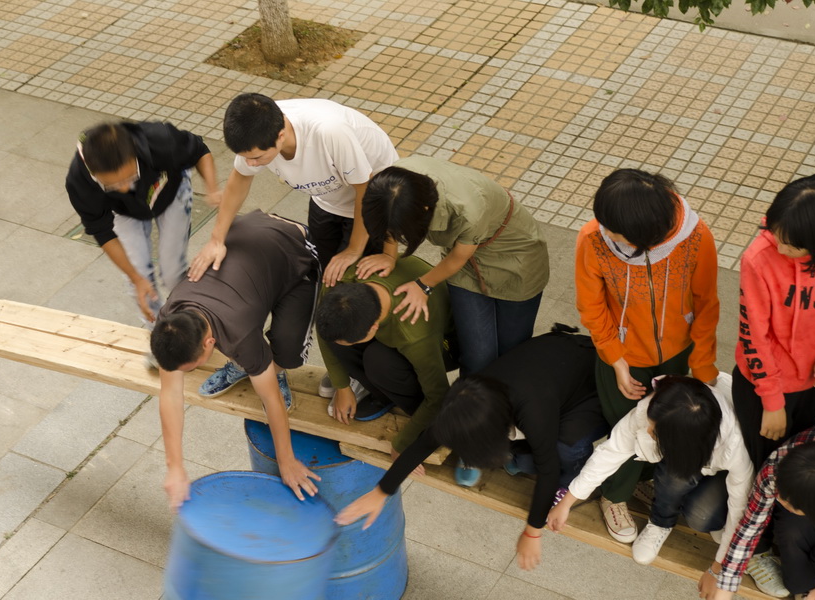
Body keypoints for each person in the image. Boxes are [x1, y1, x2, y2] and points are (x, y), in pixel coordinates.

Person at [335, 326, 609, 572]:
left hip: (595, 381)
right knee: (528, 462)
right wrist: (381, 491)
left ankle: (574, 481)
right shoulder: (460, 407)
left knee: (562, 447)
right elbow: (424, 442)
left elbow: (548, 469)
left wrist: (532, 532)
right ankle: (525, 455)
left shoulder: (533, 412)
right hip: (549, 373)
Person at [574, 168, 720, 543]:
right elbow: (592, 307)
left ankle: (641, 480)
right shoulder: (593, 238)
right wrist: (616, 360)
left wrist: (702, 365)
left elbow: (706, 303)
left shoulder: (696, 237)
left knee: (664, 426)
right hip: (624, 355)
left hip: (678, 352)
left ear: (646, 233)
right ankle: (614, 496)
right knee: (626, 427)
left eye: (615, 231)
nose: (606, 233)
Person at [150, 211, 321, 507]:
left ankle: (256, 366)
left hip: (294, 249)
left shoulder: (239, 335)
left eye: (193, 367)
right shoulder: (169, 320)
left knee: (288, 353)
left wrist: (286, 461)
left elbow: (271, 399)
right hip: (251, 250)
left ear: (210, 343)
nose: (185, 373)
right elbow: (170, 394)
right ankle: (250, 366)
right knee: (255, 359)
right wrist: (174, 467)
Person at [730, 174, 815, 597]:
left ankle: (784, 536)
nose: (778, 246)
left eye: (791, 245)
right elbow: (754, 334)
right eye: (776, 234)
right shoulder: (759, 256)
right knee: (765, 469)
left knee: (801, 470)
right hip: (765, 386)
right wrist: (772, 399)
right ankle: (757, 548)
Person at [357, 157, 549, 375]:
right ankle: (471, 394)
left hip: (514, 259)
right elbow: (388, 217)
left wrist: (423, 285)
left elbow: (459, 256)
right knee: (477, 358)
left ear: (425, 209)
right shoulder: (389, 184)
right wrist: (388, 255)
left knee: (510, 352)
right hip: (465, 268)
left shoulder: (469, 210)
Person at [548, 375, 753, 575]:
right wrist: (567, 502)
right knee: (676, 478)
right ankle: (660, 523)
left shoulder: (735, 445)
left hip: (722, 468)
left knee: (704, 518)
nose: (648, 431)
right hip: (689, 456)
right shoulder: (662, 406)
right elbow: (611, 452)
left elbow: (740, 506)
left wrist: (719, 567)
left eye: (655, 432)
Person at [189, 93, 398, 286]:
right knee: (325, 270)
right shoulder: (256, 133)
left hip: (375, 201)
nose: (251, 164)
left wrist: (354, 249)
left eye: (257, 158)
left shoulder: (329, 132)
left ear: (281, 135)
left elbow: (366, 191)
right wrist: (216, 240)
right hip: (326, 197)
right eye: (245, 158)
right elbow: (240, 179)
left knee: (351, 279)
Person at [65, 121, 220, 325]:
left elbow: (200, 151)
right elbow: (102, 231)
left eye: (130, 178)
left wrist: (212, 189)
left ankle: (193, 323)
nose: (123, 188)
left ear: (135, 154)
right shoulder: (78, 181)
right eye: (112, 185)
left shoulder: (160, 140)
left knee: (172, 272)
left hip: (169, 188)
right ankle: (159, 332)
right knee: (138, 281)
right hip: (123, 209)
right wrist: (136, 278)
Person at [315, 256, 454, 453]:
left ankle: (410, 405)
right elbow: (326, 333)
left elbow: (438, 396)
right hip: (396, 323)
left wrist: (403, 444)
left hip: (445, 344)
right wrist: (342, 386)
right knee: (338, 341)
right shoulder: (337, 284)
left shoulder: (414, 335)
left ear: (374, 328)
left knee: (379, 361)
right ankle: (382, 395)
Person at [702, 423, 815, 600]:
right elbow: (748, 528)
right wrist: (724, 587)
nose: (779, 500)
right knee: (798, 583)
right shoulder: (775, 468)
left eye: (789, 503)